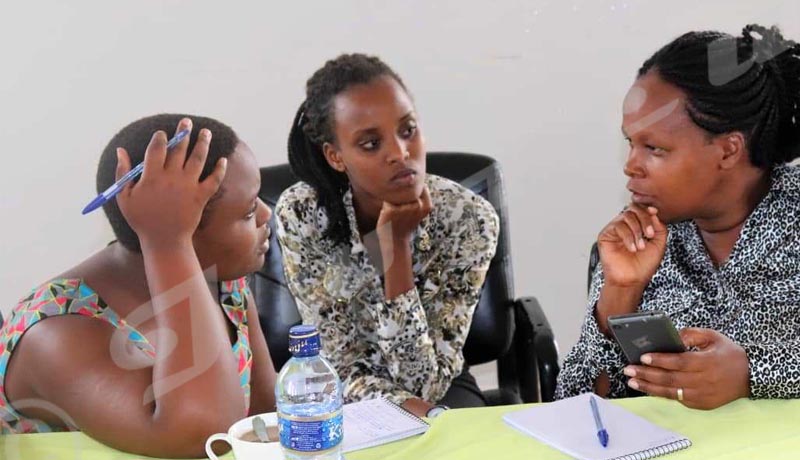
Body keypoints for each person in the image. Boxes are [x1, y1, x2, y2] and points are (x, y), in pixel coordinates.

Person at [0, 114, 276, 458]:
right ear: (183, 227)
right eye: (249, 212)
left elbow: (267, 422)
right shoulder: (56, 333)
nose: (267, 215)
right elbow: (205, 436)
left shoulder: (222, 286)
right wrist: (168, 242)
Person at [556, 24, 800, 410]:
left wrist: (752, 374)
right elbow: (579, 406)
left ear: (727, 150)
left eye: (654, 148)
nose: (631, 166)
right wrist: (620, 292)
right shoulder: (639, 235)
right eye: (629, 143)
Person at [275, 54, 499, 418]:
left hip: (439, 387)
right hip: (339, 390)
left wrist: (394, 253)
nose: (400, 153)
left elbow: (426, 383)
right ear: (335, 156)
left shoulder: (467, 218)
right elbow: (338, 366)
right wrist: (409, 408)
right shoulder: (301, 214)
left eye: (407, 130)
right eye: (370, 144)